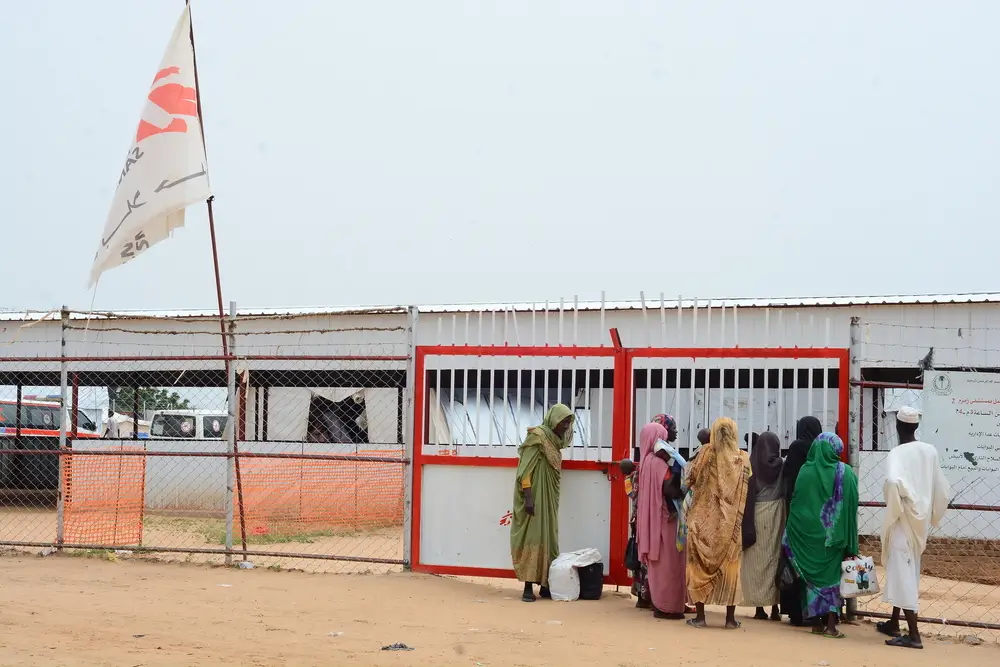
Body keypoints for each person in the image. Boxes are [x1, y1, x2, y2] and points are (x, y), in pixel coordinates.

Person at [877, 406, 950, 649]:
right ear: (915, 426)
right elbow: (942, 489)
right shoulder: (930, 451)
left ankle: (914, 635)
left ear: (898, 426)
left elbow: (892, 482)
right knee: (908, 571)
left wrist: (896, 506)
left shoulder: (896, 453)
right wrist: (931, 513)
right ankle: (894, 623)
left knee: (903, 574)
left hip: (902, 520)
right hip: (920, 523)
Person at [782, 432, 858, 639]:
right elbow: (851, 509)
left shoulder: (805, 471)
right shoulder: (846, 473)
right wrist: (851, 542)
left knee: (810, 579)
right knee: (831, 579)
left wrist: (792, 532)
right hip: (833, 538)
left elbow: (796, 504)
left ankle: (816, 623)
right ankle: (831, 626)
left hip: (806, 536)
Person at [684, 417, 752, 629]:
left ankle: (701, 618)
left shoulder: (705, 453)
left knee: (698, 568)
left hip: (702, 522)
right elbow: (748, 483)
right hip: (730, 526)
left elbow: (689, 478)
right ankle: (730, 620)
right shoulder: (743, 458)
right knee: (731, 570)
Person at [510, 403, 575, 602]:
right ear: (553, 419)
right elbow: (525, 470)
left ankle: (546, 583)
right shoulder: (537, 437)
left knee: (549, 537)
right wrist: (529, 497)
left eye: (568, 422)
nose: (565, 426)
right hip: (535, 496)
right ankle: (528, 586)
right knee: (533, 536)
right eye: (563, 421)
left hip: (549, 498)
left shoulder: (554, 442)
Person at [636, 422, 688, 619]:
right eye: (661, 437)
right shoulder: (659, 464)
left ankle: (659, 604)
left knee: (657, 566)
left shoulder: (645, 462)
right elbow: (670, 490)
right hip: (666, 520)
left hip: (652, 521)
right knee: (670, 564)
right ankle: (669, 607)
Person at [779, 415, 823, 626]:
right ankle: (821, 611)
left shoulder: (797, 448)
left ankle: (797, 612)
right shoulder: (822, 450)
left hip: (798, 512)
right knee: (817, 563)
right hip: (821, 515)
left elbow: (789, 479)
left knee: (796, 560)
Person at [741, 431, 786, 621]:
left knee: (756, 560)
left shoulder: (751, 463)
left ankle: (759, 608)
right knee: (775, 557)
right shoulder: (782, 464)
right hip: (777, 513)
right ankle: (775, 607)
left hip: (757, 514)